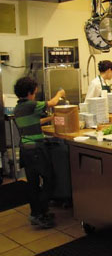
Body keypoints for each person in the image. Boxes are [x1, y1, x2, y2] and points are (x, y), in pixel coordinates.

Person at [13, 76, 65, 229]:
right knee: (49, 179)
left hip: (25, 149)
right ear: (30, 92)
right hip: (36, 148)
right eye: (34, 92)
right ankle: (39, 213)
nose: (35, 95)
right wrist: (60, 93)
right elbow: (53, 102)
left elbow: (34, 121)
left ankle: (36, 213)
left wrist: (51, 118)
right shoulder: (31, 105)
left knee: (33, 182)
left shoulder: (19, 107)